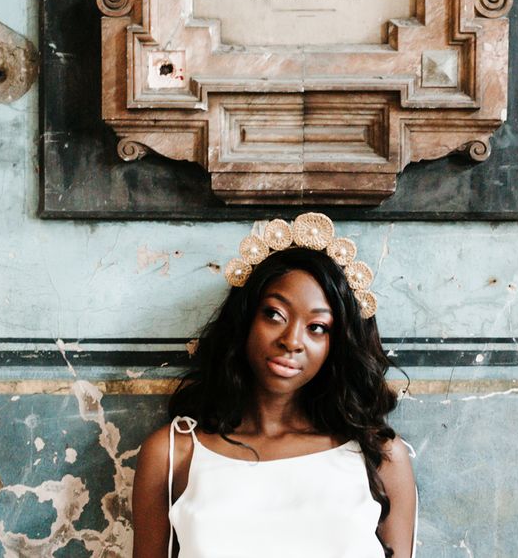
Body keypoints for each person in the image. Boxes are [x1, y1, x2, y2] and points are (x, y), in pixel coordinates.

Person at [132, 213, 417, 558]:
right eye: (275, 315)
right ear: (245, 321)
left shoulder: (379, 456)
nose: (292, 340)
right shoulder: (174, 452)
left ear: (336, 344)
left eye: (317, 327)